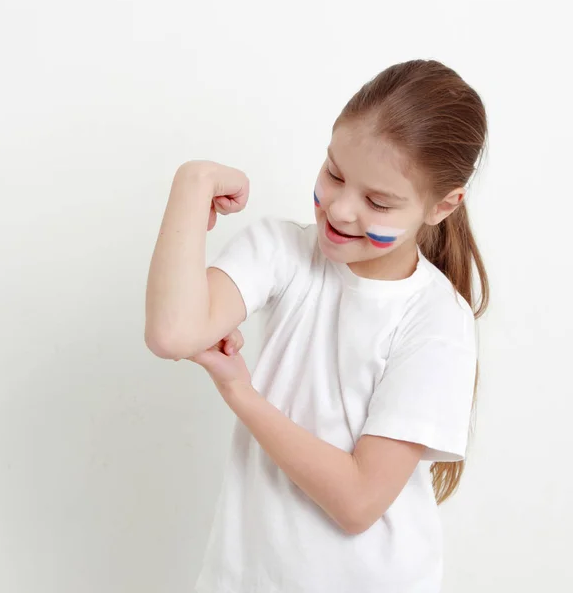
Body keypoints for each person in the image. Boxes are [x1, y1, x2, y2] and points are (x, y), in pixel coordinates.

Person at [145, 58, 490, 593]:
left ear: (442, 206)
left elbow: (357, 502)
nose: (341, 209)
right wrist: (193, 184)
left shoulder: (436, 319)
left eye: (377, 201)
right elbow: (172, 332)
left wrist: (241, 392)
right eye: (334, 173)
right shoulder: (283, 251)